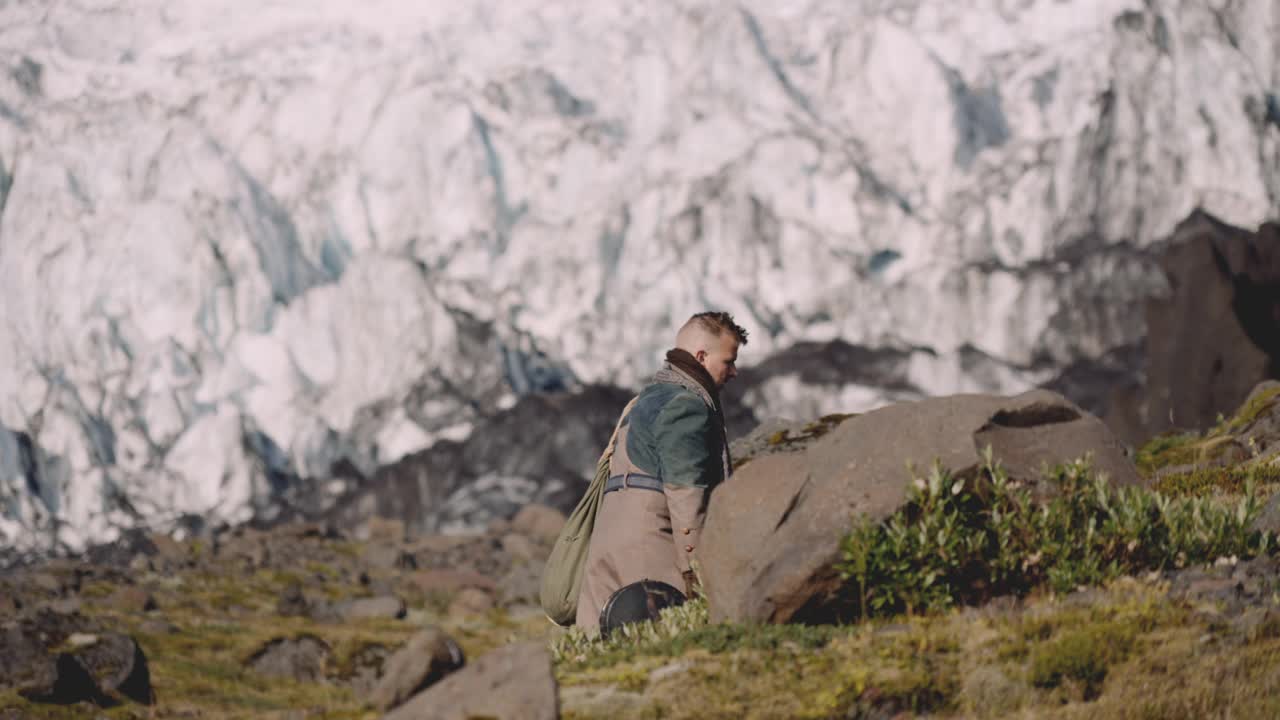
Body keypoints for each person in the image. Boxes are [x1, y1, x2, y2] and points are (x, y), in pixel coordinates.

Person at [575, 311, 748, 631]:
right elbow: (686, 495)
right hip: (651, 544)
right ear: (701, 356)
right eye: (728, 361)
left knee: (597, 648)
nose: (734, 371)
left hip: (608, 539)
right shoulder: (687, 405)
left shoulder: (645, 398)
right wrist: (695, 573)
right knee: (672, 642)